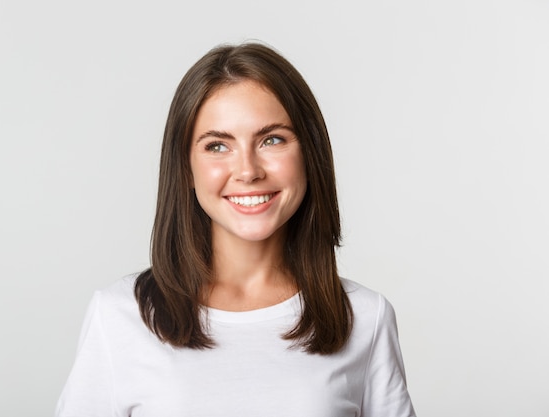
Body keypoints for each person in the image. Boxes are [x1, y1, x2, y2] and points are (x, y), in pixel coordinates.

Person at [56, 42, 416, 417]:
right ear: (186, 169)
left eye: (271, 140)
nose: (248, 171)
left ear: (309, 154)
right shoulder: (119, 315)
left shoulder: (364, 317)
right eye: (217, 146)